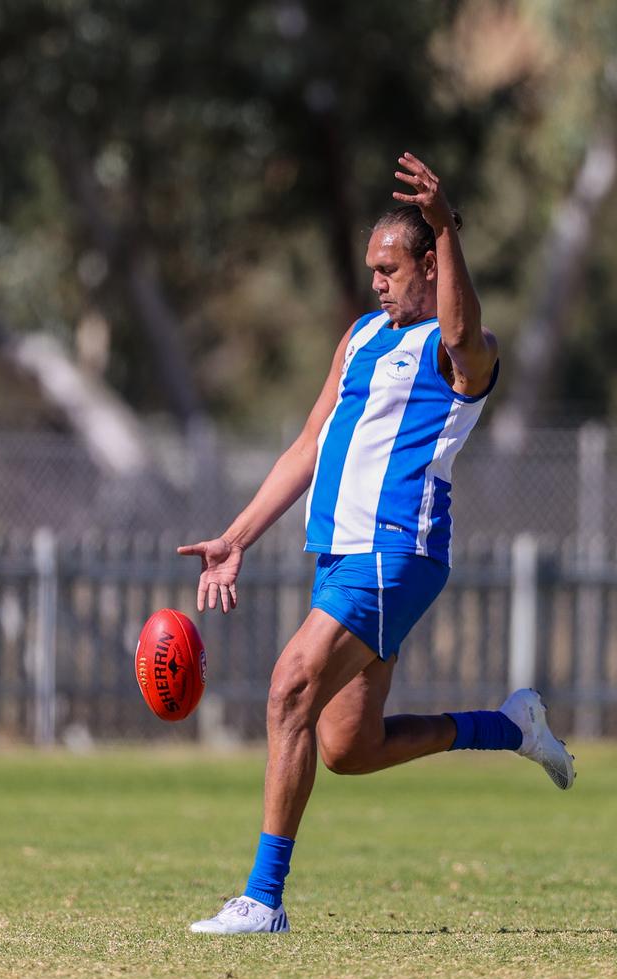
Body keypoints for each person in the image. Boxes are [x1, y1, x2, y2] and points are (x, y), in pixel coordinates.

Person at [178, 152, 575, 935]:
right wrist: (237, 538)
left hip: (396, 553)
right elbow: (305, 445)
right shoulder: (361, 336)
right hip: (340, 555)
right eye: (372, 270)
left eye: (390, 269)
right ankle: (512, 727)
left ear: (430, 265)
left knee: (289, 684)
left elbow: (462, 331)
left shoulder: (461, 350)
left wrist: (443, 223)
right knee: (346, 746)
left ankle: (263, 898)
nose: (377, 283)